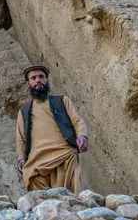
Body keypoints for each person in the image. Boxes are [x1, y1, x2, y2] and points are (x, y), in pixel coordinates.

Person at [16, 65, 89, 193]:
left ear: (47, 80)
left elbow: (77, 121)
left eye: (41, 77)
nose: (38, 80)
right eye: (33, 78)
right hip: (37, 160)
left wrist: (82, 136)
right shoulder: (24, 112)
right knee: (41, 201)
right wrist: (22, 158)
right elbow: (20, 138)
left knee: (69, 198)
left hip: (65, 154)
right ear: (29, 84)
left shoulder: (62, 101)